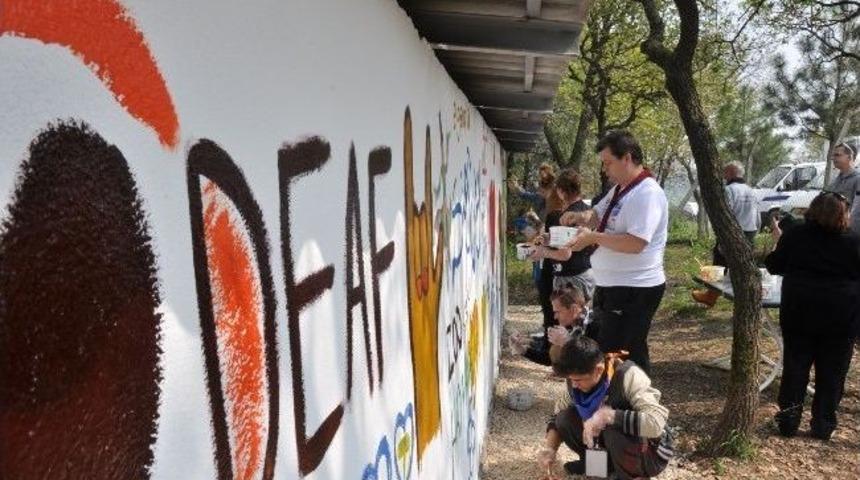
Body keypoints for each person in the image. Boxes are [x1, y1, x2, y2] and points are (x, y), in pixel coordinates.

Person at [558, 130, 668, 373]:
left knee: (627, 352)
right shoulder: (621, 188)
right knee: (608, 346)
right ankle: (613, 401)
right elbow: (596, 213)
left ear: (627, 158)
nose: (605, 170)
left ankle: (633, 406)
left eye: (608, 163)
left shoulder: (646, 193)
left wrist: (593, 238)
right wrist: (580, 216)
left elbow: (636, 243)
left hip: (635, 288)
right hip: (612, 285)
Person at [764, 192, 860, 440]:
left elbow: (774, 265)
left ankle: (789, 420)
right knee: (833, 371)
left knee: (796, 366)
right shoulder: (853, 240)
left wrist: (777, 242)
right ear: (843, 214)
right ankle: (824, 424)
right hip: (842, 314)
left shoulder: (795, 235)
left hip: (800, 310)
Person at [537, 336, 673, 479]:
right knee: (565, 418)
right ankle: (602, 467)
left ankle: (632, 474)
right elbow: (556, 416)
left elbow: (656, 423)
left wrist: (607, 416)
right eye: (571, 379)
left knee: (610, 426)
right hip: (611, 447)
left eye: (578, 380)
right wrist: (550, 449)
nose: (574, 385)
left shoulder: (628, 376)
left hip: (650, 453)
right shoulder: (576, 381)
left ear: (598, 369)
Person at [692, 161, 760, 307]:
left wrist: (722, 236)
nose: (723, 175)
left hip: (733, 232)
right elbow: (758, 216)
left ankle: (711, 296)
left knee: (719, 263)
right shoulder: (751, 191)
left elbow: (726, 214)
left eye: (725, 172)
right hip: (750, 232)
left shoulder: (728, 190)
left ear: (729, 174)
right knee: (744, 266)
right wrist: (755, 234)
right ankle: (747, 300)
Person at [529, 168, 596, 301]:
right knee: (582, 318)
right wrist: (549, 239)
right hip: (587, 274)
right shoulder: (588, 213)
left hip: (570, 278)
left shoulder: (565, 217)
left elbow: (564, 254)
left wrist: (543, 252)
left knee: (568, 320)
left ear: (560, 191)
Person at [510, 286, 593, 366]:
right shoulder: (573, 323)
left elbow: (590, 361)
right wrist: (522, 350)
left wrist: (567, 342)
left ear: (574, 309)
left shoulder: (594, 324)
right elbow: (550, 359)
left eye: (558, 312)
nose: (555, 317)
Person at [827, 141, 860, 233]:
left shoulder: (858, 180)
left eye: (837, 155)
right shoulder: (836, 180)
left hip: (850, 233)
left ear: (849, 157)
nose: (833, 158)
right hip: (835, 230)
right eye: (833, 155)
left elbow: (856, 212)